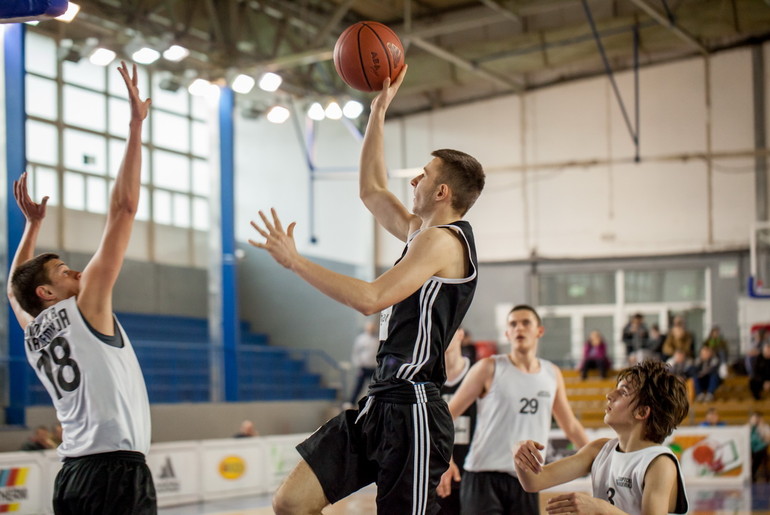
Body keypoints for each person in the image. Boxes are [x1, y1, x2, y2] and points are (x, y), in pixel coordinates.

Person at [251, 65, 486, 515]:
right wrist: (377, 110)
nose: (412, 180)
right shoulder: (421, 232)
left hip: (414, 405)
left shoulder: (443, 241)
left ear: (441, 191)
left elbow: (370, 298)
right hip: (381, 398)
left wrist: (296, 262)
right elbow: (371, 189)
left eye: (422, 174)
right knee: (291, 502)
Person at [7, 62, 155, 514]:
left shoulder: (34, 330)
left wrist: (31, 229)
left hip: (71, 474)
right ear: (47, 293)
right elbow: (124, 209)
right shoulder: (85, 307)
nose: (76, 272)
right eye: (64, 270)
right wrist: (135, 127)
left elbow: (15, 291)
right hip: (115, 472)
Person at [438, 305, 590, 515]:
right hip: (483, 478)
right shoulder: (488, 368)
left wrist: (599, 459)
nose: (519, 328)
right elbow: (444, 416)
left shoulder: (551, 373)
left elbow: (571, 426)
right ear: (507, 333)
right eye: (513, 324)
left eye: (526, 322)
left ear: (539, 331)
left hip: (527, 480)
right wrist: (446, 460)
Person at [514, 360, 689, 515]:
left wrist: (602, 509)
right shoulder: (599, 450)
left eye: (623, 392)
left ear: (642, 412)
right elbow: (535, 481)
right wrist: (519, 454)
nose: (610, 395)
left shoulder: (659, 464)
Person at [437, 328, 476, 515]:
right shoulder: (425, 380)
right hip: (437, 474)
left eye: (449, 329)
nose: (443, 335)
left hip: (474, 473)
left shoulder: (480, 373)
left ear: (460, 334)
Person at [348, 319, 380, 405]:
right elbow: (356, 352)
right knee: (358, 385)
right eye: (370, 328)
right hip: (363, 366)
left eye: (373, 328)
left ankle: (373, 403)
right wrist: (358, 363)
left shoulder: (377, 340)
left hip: (373, 367)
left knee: (374, 386)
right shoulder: (361, 339)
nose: (371, 329)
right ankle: (351, 402)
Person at [750, 411, 770, 483]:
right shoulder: (749, 427)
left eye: (758, 418)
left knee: (761, 452)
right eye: (755, 418)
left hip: (760, 449)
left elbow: (767, 439)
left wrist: (761, 429)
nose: (757, 420)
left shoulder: (765, 427)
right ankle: (751, 473)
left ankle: (753, 472)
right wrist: (751, 425)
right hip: (750, 448)